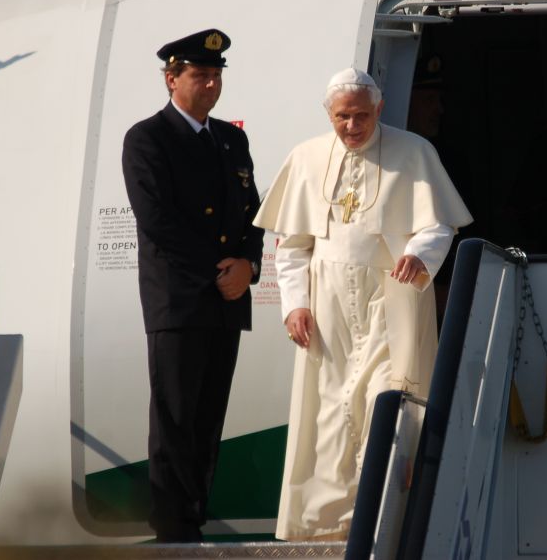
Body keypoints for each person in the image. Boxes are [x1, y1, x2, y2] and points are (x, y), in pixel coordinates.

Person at [253, 67, 472, 541]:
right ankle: (328, 525)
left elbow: (437, 225)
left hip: (389, 299)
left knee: (385, 403)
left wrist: (417, 254)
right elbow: (291, 245)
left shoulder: (414, 152)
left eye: (360, 116)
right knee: (329, 412)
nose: (351, 127)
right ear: (328, 115)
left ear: (379, 109)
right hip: (327, 306)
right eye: (341, 117)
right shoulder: (307, 158)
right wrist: (294, 304)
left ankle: (385, 523)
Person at [121, 28, 264, 543]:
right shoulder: (148, 138)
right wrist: (218, 270)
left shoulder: (231, 139)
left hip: (226, 297)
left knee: (208, 420)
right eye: (198, 75)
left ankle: (194, 520)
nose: (209, 84)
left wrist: (248, 264)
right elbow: (157, 219)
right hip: (179, 298)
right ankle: (173, 529)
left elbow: (253, 214)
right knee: (176, 419)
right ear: (171, 79)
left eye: (215, 75)